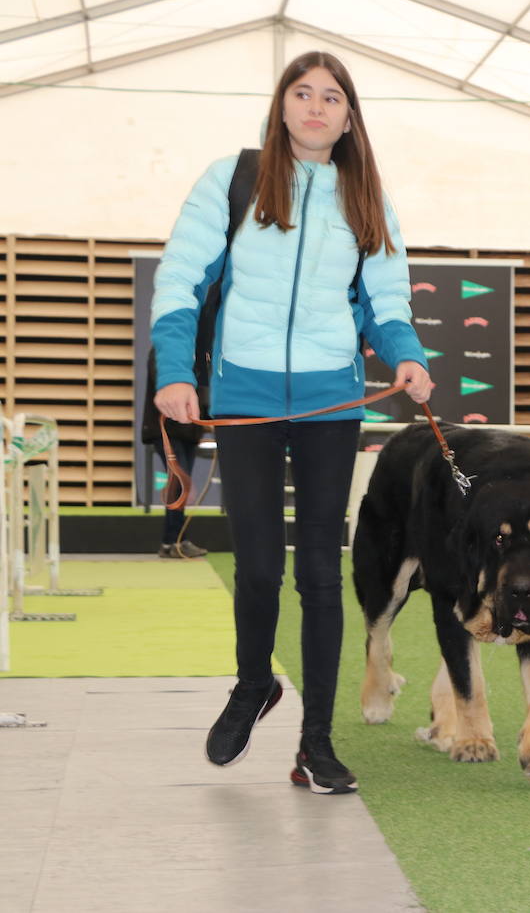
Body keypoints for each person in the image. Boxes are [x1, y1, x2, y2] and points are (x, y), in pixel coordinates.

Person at [152, 52, 434, 793]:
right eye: (302, 93)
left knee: (317, 570)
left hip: (327, 403)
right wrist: (177, 371)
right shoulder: (233, 179)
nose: (316, 107)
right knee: (258, 566)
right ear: (281, 106)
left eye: (332, 97)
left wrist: (406, 355)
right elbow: (182, 276)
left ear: (349, 115)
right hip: (242, 395)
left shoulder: (365, 193)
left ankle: (316, 741)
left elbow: (386, 295)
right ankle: (253, 685)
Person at [140, 349, 208, 558]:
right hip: (166, 429)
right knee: (180, 482)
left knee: (179, 485)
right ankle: (176, 541)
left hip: (189, 431)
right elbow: (166, 383)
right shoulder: (164, 350)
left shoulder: (201, 351)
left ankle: (171, 542)